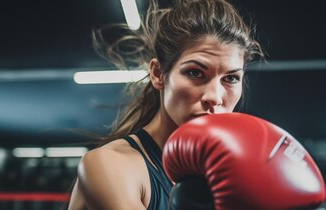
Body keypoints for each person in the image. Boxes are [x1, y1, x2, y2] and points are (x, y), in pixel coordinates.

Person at [67, 0, 262, 209]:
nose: (215, 96)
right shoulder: (110, 164)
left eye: (231, 78)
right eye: (195, 73)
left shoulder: (219, 175)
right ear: (158, 74)